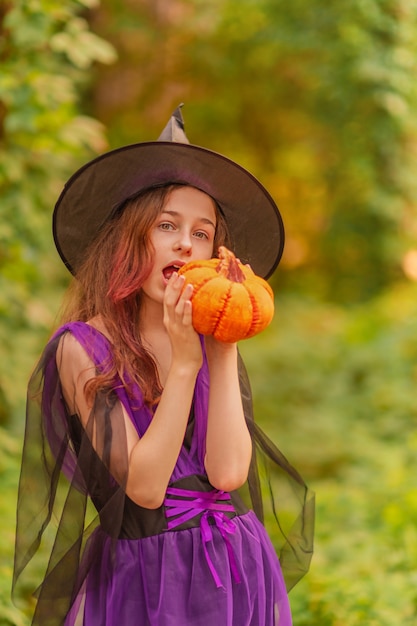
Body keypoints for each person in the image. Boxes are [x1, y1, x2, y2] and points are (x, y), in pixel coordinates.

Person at [13, 106, 314, 626]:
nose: (184, 242)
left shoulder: (207, 335)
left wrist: (221, 351)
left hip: (234, 563)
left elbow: (226, 472)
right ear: (129, 238)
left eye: (201, 233)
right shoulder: (81, 348)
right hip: (148, 574)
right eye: (166, 225)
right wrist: (181, 369)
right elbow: (146, 487)